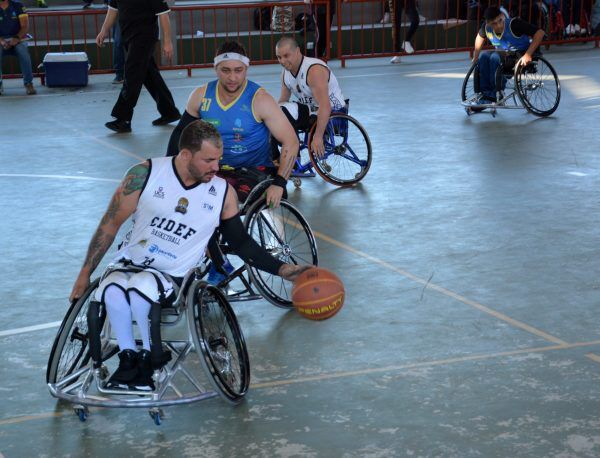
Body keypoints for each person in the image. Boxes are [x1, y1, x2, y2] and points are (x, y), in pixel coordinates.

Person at [70, 120, 310, 390]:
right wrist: (84, 274)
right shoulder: (144, 175)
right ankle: (128, 360)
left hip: (174, 276)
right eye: (208, 160)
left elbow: (241, 243)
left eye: (218, 159)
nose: (216, 168)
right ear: (185, 155)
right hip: (132, 261)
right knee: (112, 289)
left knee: (140, 288)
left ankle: (150, 358)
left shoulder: (222, 193)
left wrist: (283, 270)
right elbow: (109, 225)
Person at [96, 0, 181, 133]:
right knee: (150, 76)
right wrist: (104, 30)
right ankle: (169, 112)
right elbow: (113, 9)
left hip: (144, 37)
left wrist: (167, 42)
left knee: (132, 76)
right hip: (127, 36)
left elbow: (164, 15)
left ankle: (123, 119)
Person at [275, 36, 345, 158]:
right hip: (311, 112)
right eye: (279, 57)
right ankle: (278, 159)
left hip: (333, 112)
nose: (282, 61)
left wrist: (318, 137)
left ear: (297, 51)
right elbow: (282, 101)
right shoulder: (285, 74)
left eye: (286, 56)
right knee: (275, 113)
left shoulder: (314, 71)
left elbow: (325, 106)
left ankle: (292, 160)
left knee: (284, 111)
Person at [471, 6, 545, 103]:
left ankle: (496, 93)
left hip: (520, 55)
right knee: (483, 56)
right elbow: (479, 37)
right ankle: (485, 93)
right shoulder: (486, 27)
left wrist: (528, 54)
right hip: (504, 56)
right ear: (488, 23)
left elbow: (540, 33)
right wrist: (475, 57)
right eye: (494, 23)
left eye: (500, 20)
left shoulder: (514, 24)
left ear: (502, 16)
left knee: (494, 57)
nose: (498, 25)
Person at [0, 0, 36, 95]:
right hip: (1, 39)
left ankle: (28, 83)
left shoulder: (18, 5)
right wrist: (2, 41)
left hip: (19, 38)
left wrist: (16, 38)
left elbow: (24, 26)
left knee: (23, 51)